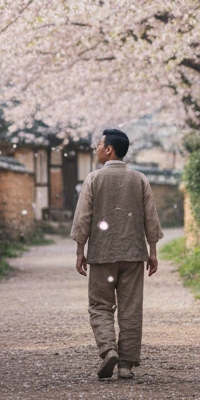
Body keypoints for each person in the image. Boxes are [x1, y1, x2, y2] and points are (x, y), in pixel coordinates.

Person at [71, 128, 163, 380]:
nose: (96, 149)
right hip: (133, 253)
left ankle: (108, 349)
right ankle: (126, 365)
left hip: (102, 253)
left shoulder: (93, 179)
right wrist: (152, 251)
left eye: (99, 145)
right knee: (131, 308)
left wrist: (80, 250)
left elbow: (83, 217)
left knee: (100, 305)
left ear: (109, 149)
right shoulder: (139, 179)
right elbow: (151, 218)